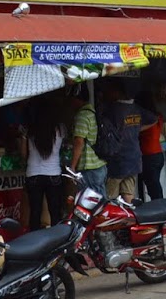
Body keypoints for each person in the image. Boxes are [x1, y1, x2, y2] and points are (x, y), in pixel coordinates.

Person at [95, 80, 156, 201]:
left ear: (116, 92)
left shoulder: (112, 109)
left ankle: (115, 220)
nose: (108, 93)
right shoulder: (136, 108)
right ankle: (127, 218)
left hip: (118, 159)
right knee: (128, 194)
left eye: (109, 91)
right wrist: (137, 128)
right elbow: (154, 119)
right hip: (134, 158)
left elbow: (99, 119)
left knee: (110, 196)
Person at [25, 103, 68, 231]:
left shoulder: (30, 129)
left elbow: (24, 153)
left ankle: (34, 242)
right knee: (55, 212)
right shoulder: (60, 129)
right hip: (53, 174)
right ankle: (56, 241)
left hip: (33, 174)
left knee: (35, 212)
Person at [66, 86, 107, 197]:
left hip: (89, 167)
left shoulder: (82, 116)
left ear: (77, 99)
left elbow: (79, 141)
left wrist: (73, 167)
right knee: (100, 200)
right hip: (99, 164)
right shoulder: (93, 112)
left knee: (90, 202)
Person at [135, 89, 166, 202]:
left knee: (153, 188)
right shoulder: (158, 116)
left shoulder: (145, 119)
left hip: (148, 156)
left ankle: (160, 210)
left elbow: (136, 131)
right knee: (154, 186)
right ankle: (159, 207)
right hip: (158, 154)